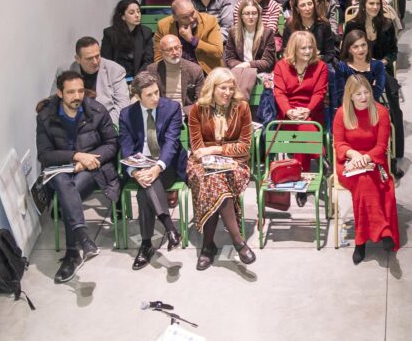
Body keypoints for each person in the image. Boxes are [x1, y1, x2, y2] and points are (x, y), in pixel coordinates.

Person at [36, 69, 120, 284]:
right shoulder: (46, 116)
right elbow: (44, 155)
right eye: (71, 92)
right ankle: (82, 238)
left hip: (91, 169)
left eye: (81, 91)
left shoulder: (97, 110)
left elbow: (112, 144)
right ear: (60, 93)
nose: (77, 96)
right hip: (60, 170)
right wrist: (76, 156)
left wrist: (88, 160)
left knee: (68, 191)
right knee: (63, 182)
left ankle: (73, 252)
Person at [186, 68, 257, 269]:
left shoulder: (242, 107)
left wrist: (216, 150)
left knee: (215, 181)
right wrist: (210, 157)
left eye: (231, 88)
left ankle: (208, 246)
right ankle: (238, 241)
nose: (228, 93)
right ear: (212, 88)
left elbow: (244, 147)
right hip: (201, 163)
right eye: (223, 88)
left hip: (236, 163)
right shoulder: (197, 110)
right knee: (212, 179)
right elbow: (197, 148)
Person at [117, 71, 186, 265]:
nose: (156, 97)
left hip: (167, 164)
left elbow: (171, 143)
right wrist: (135, 172)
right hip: (141, 164)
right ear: (137, 96)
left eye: (157, 92)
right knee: (145, 188)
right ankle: (170, 229)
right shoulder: (126, 115)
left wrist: (157, 167)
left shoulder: (172, 108)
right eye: (149, 95)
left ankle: (146, 244)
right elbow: (126, 148)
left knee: (145, 188)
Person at [334, 73, 400, 262]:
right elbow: (339, 144)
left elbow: (381, 146)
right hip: (348, 162)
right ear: (350, 96)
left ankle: (361, 241)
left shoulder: (381, 112)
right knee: (363, 181)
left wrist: (366, 157)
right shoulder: (342, 113)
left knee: (364, 183)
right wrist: (354, 155)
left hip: (374, 160)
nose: (364, 97)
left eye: (367, 92)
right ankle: (383, 230)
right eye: (358, 94)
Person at [273, 31, 330, 162]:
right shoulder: (281, 66)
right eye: (303, 48)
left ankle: (300, 169)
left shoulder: (321, 66)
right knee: (304, 127)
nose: (308, 51)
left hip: (312, 112)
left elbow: (319, 92)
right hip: (289, 114)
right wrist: (289, 111)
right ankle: (322, 160)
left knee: (304, 127)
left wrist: (308, 110)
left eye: (310, 47)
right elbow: (279, 93)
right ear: (294, 49)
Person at [223, 0, 279, 96]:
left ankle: (240, 102)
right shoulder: (233, 32)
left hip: (260, 71)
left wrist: (247, 65)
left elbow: (268, 62)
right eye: (247, 13)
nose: (251, 16)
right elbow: (229, 59)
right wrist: (242, 67)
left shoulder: (267, 33)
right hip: (238, 69)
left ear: (258, 15)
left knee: (247, 74)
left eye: (254, 13)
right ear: (241, 16)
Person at [68, 35, 131, 119]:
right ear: (78, 59)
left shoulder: (115, 70)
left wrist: (102, 124)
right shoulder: (65, 71)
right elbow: (54, 104)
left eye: (97, 56)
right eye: (89, 58)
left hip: (106, 119)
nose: (95, 62)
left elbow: (122, 107)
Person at [154, 0, 223, 71]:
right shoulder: (163, 26)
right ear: (175, 18)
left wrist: (192, 39)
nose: (191, 19)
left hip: (206, 71)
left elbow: (218, 53)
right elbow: (159, 58)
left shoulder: (210, 21)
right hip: (176, 71)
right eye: (185, 17)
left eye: (192, 13)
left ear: (195, 9)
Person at [100, 0, 156, 76]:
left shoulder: (146, 32)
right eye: (132, 13)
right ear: (123, 16)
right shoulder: (110, 33)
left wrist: (138, 78)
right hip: (116, 76)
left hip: (139, 76)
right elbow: (107, 60)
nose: (137, 15)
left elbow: (148, 60)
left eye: (138, 11)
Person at [345, 0, 400, 65]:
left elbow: (393, 51)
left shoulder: (388, 24)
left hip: (382, 67)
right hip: (358, 67)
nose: (375, 7)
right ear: (363, 5)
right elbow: (345, 53)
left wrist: (384, 61)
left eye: (378, 4)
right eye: (371, 3)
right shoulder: (351, 26)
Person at [149, 31, 204, 106]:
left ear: (181, 48)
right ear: (161, 52)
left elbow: (200, 100)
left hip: (187, 111)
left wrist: (185, 111)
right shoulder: (152, 70)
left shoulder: (195, 70)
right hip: (163, 110)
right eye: (169, 50)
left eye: (177, 48)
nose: (175, 52)